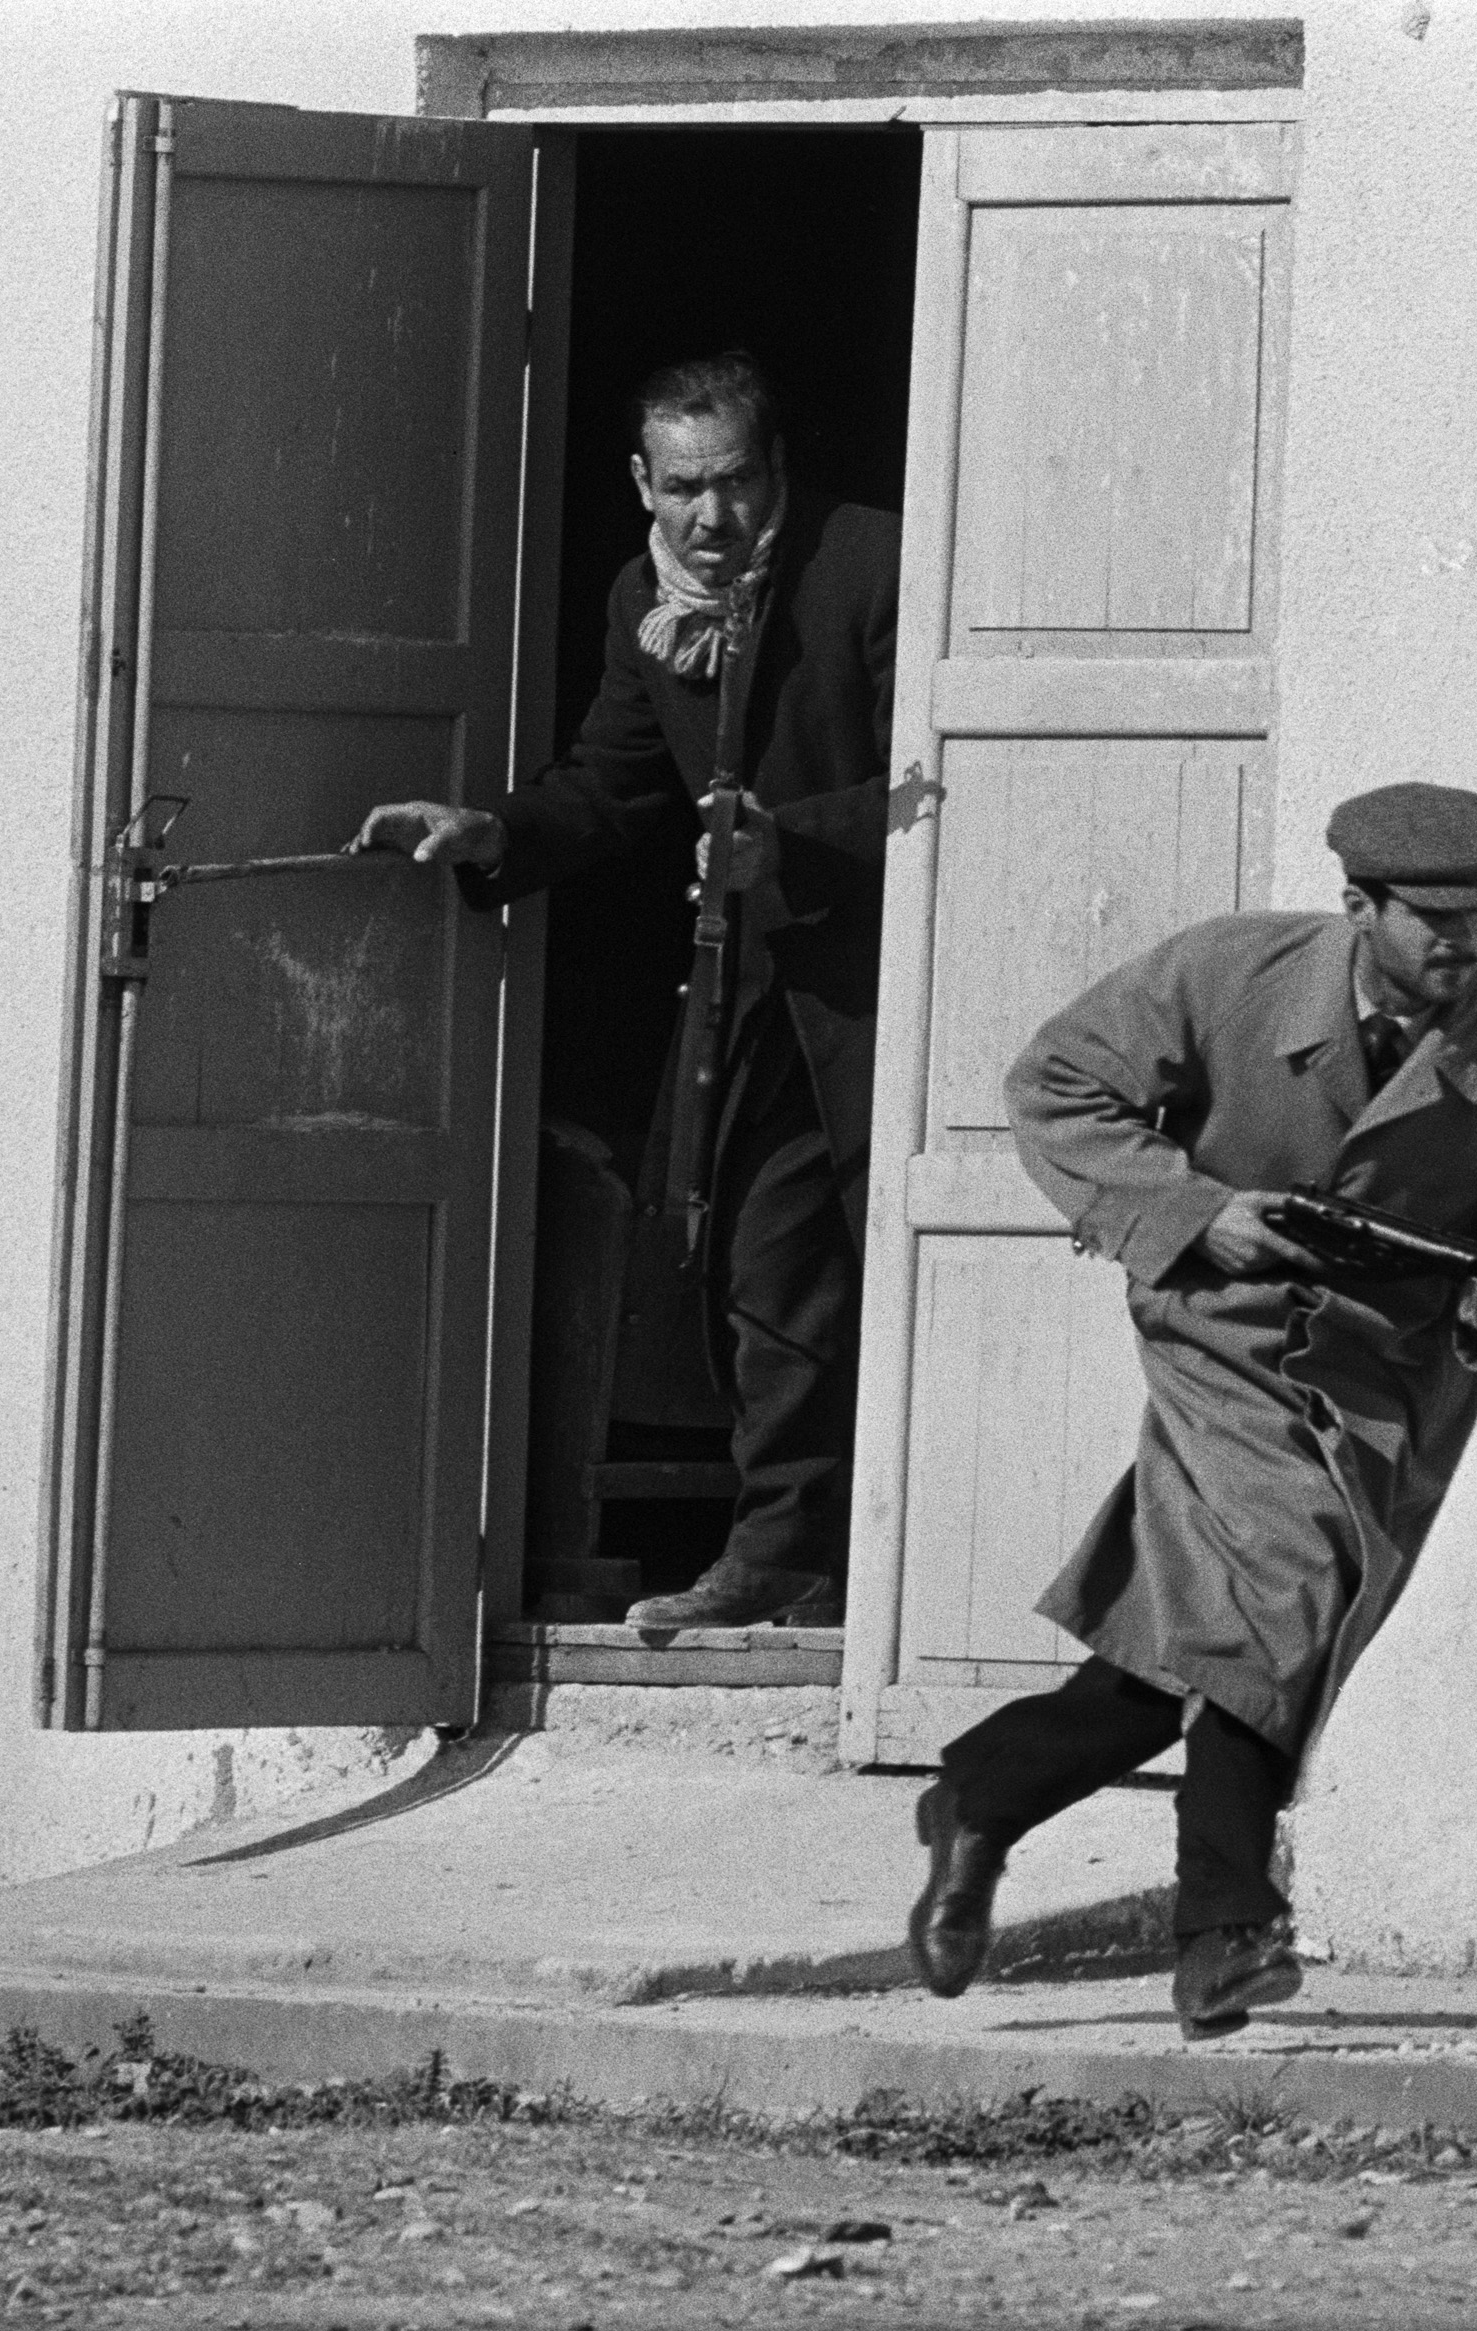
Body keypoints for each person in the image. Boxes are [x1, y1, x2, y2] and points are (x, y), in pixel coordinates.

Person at [905, 783, 1477, 2034]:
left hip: (1396, 1374)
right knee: (1288, 1589)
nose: (1461, 944)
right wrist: (1197, 1214)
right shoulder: (1225, 973)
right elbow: (1057, 1085)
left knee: (1200, 1646)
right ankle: (1225, 1929)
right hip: (1223, 1337)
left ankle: (984, 1790)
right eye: (1431, 920)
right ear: (1360, 905)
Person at [356, 351, 898, 1628]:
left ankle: (928, 1570)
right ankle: (787, 1557)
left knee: (936, 1262)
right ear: (643, 486)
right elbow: (612, 782)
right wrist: (495, 834)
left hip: (894, 978)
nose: (715, 522)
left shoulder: (874, 563)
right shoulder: (638, 601)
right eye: (686, 491)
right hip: (754, 993)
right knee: (763, 1277)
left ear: (781, 475)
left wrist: (797, 843)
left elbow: (960, 771)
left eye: (741, 485)